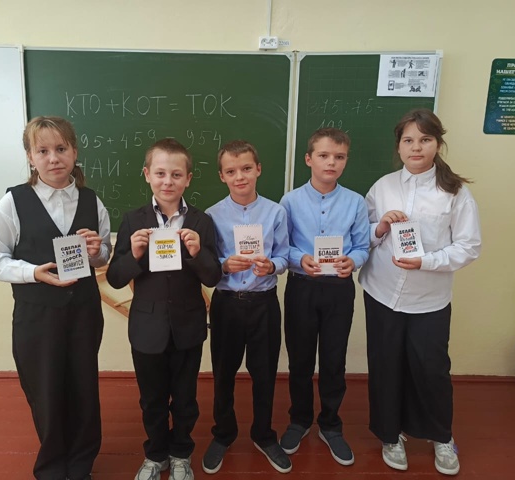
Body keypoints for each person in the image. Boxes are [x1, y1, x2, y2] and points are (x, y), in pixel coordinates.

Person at [0, 116, 112, 480]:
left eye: (61, 149)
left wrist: (98, 251)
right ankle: (53, 465)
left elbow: (102, 256)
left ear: (74, 152)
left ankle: (82, 463)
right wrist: (32, 273)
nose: (53, 158)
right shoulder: (11, 203)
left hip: (84, 312)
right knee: (45, 389)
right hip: (36, 315)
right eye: (43, 151)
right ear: (30, 157)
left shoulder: (92, 201)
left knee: (83, 386)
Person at [358, 109, 481, 476]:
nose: (416, 147)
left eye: (425, 140)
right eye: (408, 140)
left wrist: (426, 261)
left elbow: (469, 246)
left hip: (429, 299)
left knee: (431, 369)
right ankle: (390, 435)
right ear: (398, 146)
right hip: (381, 293)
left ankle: (441, 437)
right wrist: (380, 227)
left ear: (437, 144)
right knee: (385, 365)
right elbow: (361, 234)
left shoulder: (455, 192)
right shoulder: (382, 187)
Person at [106, 138, 222, 480]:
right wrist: (134, 255)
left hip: (188, 326)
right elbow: (114, 278)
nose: (167, 181)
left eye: (176, 174)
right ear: (147, 175)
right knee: (152, 400)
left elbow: (213, 276)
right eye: (160, 173)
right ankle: (155, 455)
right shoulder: (133, 220)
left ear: (188, 178)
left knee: (185, 399)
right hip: (147, 328)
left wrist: (198, 253)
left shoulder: (201, 221)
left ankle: (181, 453)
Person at [279, 128, 370, 466]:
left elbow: (363, 246)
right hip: (302, 286)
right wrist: (297, 258)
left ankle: (330, 424)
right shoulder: (289, 201)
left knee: (334, 359)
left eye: (339, 157)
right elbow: (282, 245)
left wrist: (353, 261)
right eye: (323, 155)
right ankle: (300, 419)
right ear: (308, 159)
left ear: (346, 160)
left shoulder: (356, 202)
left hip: (338, 289)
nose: (331, 162)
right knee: (300, 359)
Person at [202, 141, 291, 474]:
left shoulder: (276, 212)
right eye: (231, 171)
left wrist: (273, 266)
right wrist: (225, 265)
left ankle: (263, 434)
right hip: (226, 304)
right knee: (223, 373)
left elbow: (284, 254)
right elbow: (208, 262)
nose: (240, 176)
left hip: (263, 303)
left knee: (264, 373)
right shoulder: (211, 216)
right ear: (222, 176)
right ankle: (223, 433)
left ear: (258, 169)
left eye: (246, 169)